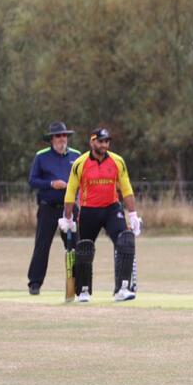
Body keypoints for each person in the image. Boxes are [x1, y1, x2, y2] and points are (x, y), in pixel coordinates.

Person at [58, 128, 141, 303]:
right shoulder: (80, 163)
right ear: (92, 142)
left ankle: (123, 288)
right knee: (85, 249)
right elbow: (71, 192)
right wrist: (67, 218)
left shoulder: (118, 161)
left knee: (125, 240)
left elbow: (126, 189)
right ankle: (83, 291)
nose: (104, 145)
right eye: (101, 141)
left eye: (107, 141)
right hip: (88, 210)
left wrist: (133, 214)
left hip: (112, 208)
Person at [25, 122, 80, 295]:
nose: (61, 139)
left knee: (74, 246)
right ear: (51, 139)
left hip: (70, 208)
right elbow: (33, 181)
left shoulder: (76, 156)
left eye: (64, 135)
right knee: (42, 245)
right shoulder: (41, 156)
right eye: (58, 136)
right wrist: (51, 184)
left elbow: (82, 180)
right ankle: (35, 283)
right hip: (48, 207)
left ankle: (78, 283)